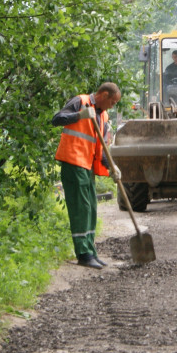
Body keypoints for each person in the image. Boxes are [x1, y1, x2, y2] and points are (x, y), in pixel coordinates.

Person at [52, 82, 122, 269]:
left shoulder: (103, 116)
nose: (112, 106)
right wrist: (79, 115)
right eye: (113, 102)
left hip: (87, 167)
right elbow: (57, 119)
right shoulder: (80, 102)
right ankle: (83, 254)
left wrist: (112, 168)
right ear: (104, 94)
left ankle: (90, 251)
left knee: (91, 208)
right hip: (73, 163)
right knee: (81, 209)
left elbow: (103, 147)